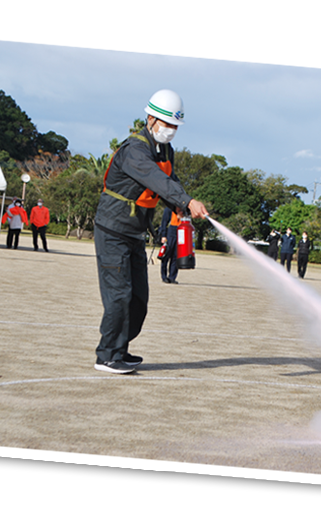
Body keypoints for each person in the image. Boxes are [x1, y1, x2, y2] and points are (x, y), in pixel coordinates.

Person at [92, 90, 209, 374]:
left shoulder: (164, 150)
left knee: (138, 299)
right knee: (119, 295)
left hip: (134, 232)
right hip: (113, 229)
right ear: (151, 118)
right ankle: (107, 355)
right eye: (167, 124)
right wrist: (185, 201)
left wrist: (180, 204)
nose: (170, 131)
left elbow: (170, 180)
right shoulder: (135, 150)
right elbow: (154, 178)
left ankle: (121, 348)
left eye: (175, 127)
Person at [158, 206, 185, 284]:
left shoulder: (184, 210)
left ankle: (172, 277)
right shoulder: (169, 209)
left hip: (180, 232)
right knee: (166, 255)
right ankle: (164, 276)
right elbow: (164, 222)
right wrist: (163, 235)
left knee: (176, 256)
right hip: (170, 232)